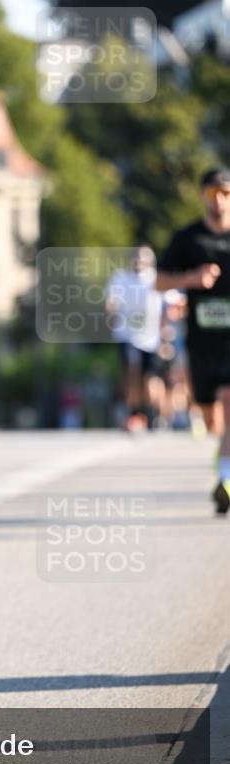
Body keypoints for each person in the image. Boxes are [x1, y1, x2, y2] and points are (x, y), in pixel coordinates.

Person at [156, 167, 230, 514]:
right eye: (214, 192)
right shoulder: (188, 239)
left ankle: (226, 479)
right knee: (213, 418)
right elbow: (158, 282)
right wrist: (191, 278)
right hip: (201, 342)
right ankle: (224, 454)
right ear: (203, 195)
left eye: (226, 193)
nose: (220, 199)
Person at [105, 245, 164, 431]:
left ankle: (150, 413)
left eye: (143, 258)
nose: (139, 262)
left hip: (151, 338)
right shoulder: (120, 278)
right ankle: (133, 413)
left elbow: (170, 303)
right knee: (131, 370)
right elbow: (111, 300)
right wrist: (111, 309)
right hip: (126, 334)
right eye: (137, 257)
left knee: (149, 380)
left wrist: (167, 334)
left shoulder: (156, 279)